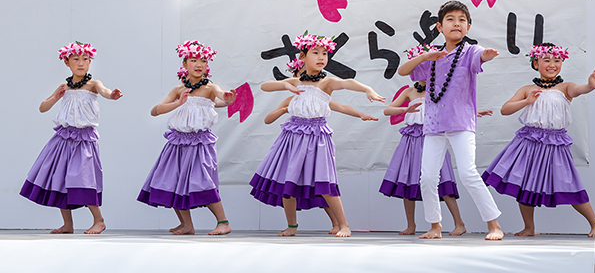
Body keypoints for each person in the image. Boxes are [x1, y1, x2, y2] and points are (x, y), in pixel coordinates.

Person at [250, 31, 385, 237]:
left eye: (325, 53)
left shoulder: (326, 83)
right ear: (302, 57)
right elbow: (264, 87)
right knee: (288, 182)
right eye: (315, 52)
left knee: (324, 183)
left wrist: (367, 90)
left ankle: (344, 224)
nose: (322, 57)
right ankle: (292, 226)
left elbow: (348, 84)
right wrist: (285, 85)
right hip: (292, 138)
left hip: (317, 137)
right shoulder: (295, 85)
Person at [398, 0, 504, 240]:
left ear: (468, 27)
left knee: (467, 173)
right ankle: (435, 226)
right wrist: (425, 56)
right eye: (450, 19)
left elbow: (482, 57)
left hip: (461, 123)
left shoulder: (471, 51)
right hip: (433, 125)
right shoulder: (433, 57)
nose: (456, 23)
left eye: (461, 20)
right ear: (439, 26)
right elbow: (403, 72)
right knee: (427, 177)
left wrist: (487, 56)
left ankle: (494, 225)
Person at [482, 43, 595, 237]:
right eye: (546, 60)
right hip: (529, 141)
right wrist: (527, 101)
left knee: (568, 183)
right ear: (536, 63)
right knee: (524, 182)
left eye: (557, 60)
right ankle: (529, 227)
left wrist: (590, 85)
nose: (552, 64)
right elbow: (505, 110)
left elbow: (579, 89)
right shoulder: (527, 89)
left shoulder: (566, 87)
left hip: (555, 143)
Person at [20, 42, 123, 234]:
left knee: (83, 179)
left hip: (83, 140)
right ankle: (68, 224)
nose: (81, 63)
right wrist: (56, 97)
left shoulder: (93, 84)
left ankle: (99, 219)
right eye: (76, 59)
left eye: (86, 59)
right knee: (61, 177)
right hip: (64, 138)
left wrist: (113, 95)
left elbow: (105, 92)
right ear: (67, 63)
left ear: (90, 62)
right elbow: (42, 107)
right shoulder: (64, 86)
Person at [138, 40, 236, 235]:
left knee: (203, 181)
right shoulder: (178, 90)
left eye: (203, 61)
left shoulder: (209, 87)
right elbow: (155, 111)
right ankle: (187, 225)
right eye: (193, 60)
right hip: (177, 142)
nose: (199, 64)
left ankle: (223, 222)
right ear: (184, 64)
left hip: (200, 142)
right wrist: (179, 102)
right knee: (173, 180)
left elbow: (221, 96)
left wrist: (227, 98)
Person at [380, 44, 466, 236]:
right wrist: (405, 110)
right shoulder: (409, 92)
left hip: (433, 136)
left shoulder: (441, 90)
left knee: (442, 182)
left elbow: (456, 108)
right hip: (411, 140)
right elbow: (387, 110)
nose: (422, 71)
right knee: (408, 181)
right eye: (419, 66)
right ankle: (411, 225)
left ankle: (459, 223)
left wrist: (475, 113)